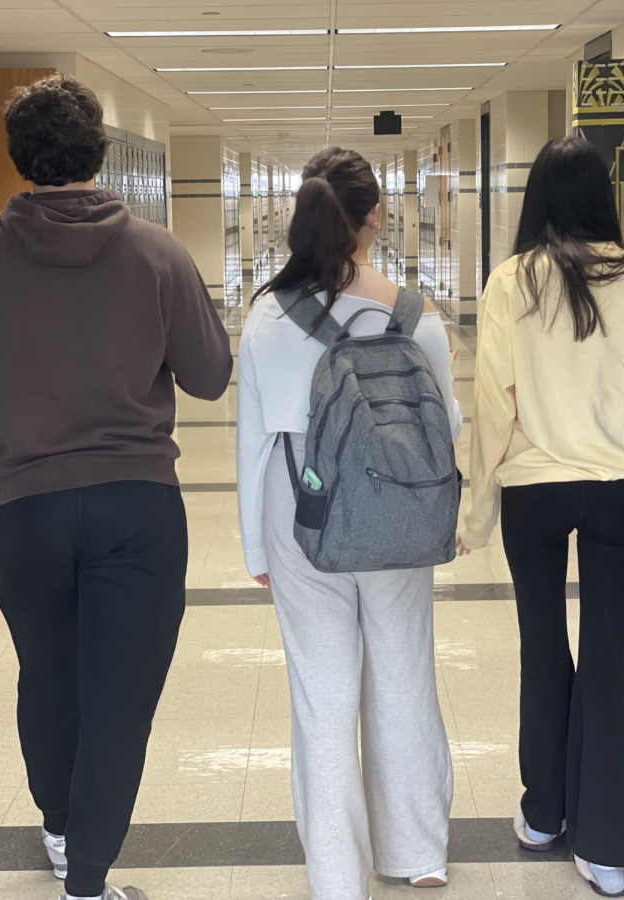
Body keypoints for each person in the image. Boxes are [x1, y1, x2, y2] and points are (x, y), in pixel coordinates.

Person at [0, 75, 232, 900]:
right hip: (138, 506)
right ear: (98, 152)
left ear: (20, 158)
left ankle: (60, 829)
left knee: (47, 677)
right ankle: (87, 874)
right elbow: (209, 376)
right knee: (121, 696)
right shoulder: (158, 252)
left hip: (27, 509)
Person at [236, 147, 462, 900]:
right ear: (373, 218)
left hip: (299, 509)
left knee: (323, 691)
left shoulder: (267, 316)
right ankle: (418, 850)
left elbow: (250, 439)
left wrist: (250, 541)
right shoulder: (415, 314)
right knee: (403, 669)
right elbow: (447, 431)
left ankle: (337, 873)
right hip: (399, 504)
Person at [458, 135, 624, 898]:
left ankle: (544, 814)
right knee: (607, 661)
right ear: (602, 195)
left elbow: (494, 403)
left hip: (535, 489)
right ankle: (605, 848)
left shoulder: (510, 281)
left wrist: (476, 508)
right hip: (620, 487)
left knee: (543, 647)